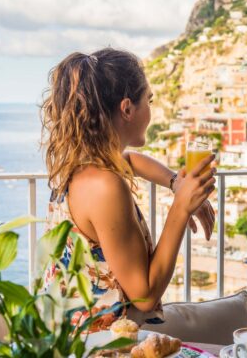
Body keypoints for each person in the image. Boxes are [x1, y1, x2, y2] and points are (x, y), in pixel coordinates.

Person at [40, 48, 216, 326]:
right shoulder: (105, 186)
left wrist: (174, 182)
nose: (151, 110)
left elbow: (130, 160)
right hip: (94, 347)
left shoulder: (84, 163)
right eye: (149, 100)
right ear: (127, 109)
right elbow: (144, 296)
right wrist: (182, 208)